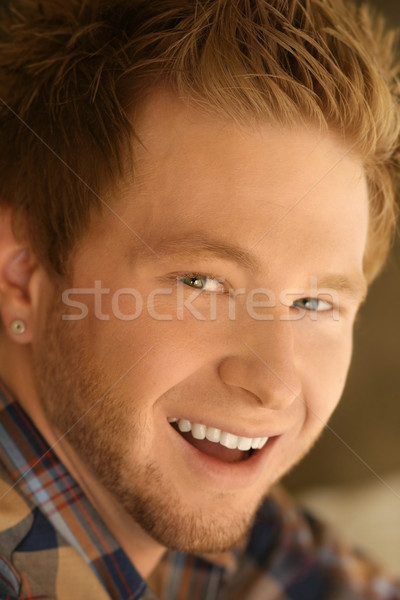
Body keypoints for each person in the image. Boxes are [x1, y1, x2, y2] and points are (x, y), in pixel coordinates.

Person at [0, 0, 399, 598]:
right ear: (21, 272)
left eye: (315, 305)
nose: (276, 383)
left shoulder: (234, 532)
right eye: (202, 284)